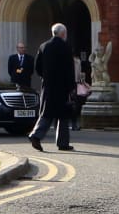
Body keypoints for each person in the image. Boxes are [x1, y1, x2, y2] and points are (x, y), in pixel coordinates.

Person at [28, 23, 76, 152]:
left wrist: (45, 77)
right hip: (62, 87)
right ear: (62, 34)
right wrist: (72, 87)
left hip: (48, 85)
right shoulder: (66, 47)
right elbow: (69, 69)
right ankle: (61, 142)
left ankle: (38, 135)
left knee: (46, 113)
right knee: (63, 115)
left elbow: (37, 66)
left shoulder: (44, 46)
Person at [70, 50, 91, 131]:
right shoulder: (74, 61)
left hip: (75, 84)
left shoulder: (77, 61)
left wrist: (83, 82)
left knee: (75, 105)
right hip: (71, 84)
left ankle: (74, 124)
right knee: (73, 105)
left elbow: (79, 75)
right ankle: (73, 124)